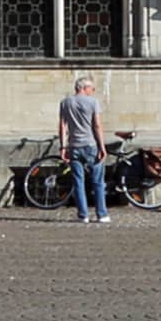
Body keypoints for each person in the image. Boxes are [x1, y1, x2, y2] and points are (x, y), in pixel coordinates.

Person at [56, 73, 110, 225]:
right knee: (98, 181)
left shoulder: (65, 103)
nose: (93, 91)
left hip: (74, 146)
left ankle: (83, 215)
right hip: (91, 145)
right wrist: (102, 146)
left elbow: (62, 126)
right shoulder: (93, 102)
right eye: (92, 88)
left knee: (78, 182)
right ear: (84, 88)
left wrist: (62, 146)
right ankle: (102, 214)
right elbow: (97, 125)